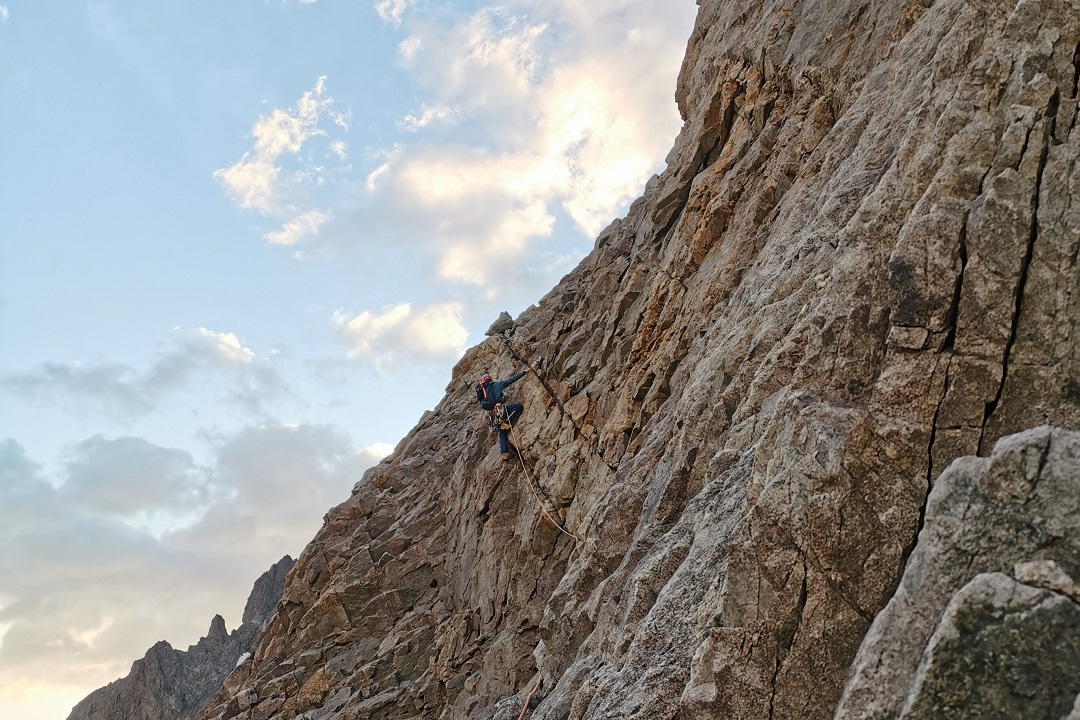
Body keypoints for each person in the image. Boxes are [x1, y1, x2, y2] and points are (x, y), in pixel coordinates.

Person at [476, 370, 526, 460]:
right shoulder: (497, 385)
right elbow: (511, 380)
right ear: (490, 379)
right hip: (500, 409)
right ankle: (505, 422)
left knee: (502, 433)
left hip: (493, 415)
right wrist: (524, 372)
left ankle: (504, 453)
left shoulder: (483, 392)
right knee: (518, 407)